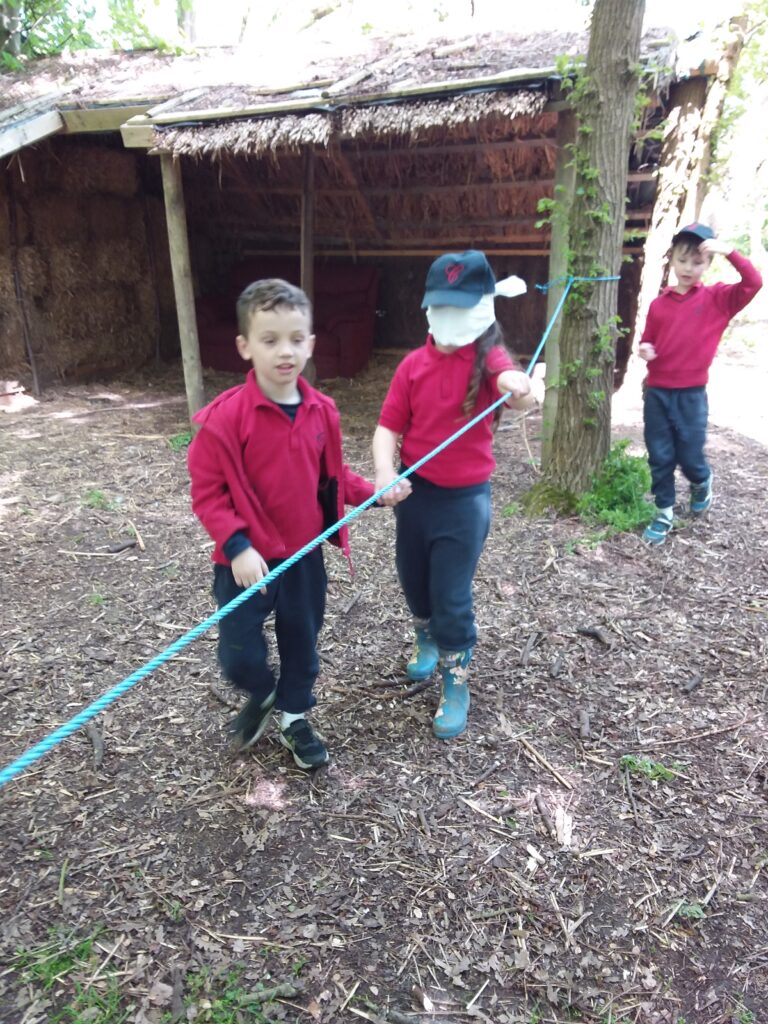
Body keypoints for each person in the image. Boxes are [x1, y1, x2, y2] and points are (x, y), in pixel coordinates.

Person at [188, 278, 409, 769]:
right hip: (245, 561)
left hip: (304, 555)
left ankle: (293, 716)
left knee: (302, 646)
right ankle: (262, 692)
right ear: (245, 347)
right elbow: (208, 493)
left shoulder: (321, 411)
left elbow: (332, 478)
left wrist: (376, 493)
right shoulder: (225, 420)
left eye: (295, 339)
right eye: (269, 340)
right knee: (239, 655)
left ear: (310, 343)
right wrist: (239, 545)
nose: (284, 351)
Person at [372, 251, 533, 740]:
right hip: (416, 496)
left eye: (461, 308)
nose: (449, 319)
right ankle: (425, 638)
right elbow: (386, 429)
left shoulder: (489, 359)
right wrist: (384, 473)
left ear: (483, 308)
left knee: (451, 595)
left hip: (464, 503)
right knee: (414, 581)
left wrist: (521, 386)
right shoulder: (413, 366)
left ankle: (456, 679)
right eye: (441, 307)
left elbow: (515, 388)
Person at [638, 222, 762, 545]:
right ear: (673, 262)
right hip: (657, 393)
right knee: (660, 455)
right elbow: (648, 339)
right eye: (682, 260)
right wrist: (644, 349)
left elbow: (754, 282)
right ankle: (664, 511)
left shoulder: (718, 299)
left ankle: (701, 480)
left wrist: (729, 251)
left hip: (692, 396)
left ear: (707, 264)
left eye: (697, 261)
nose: (688, 268)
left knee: (690, 456)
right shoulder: (658, 304)